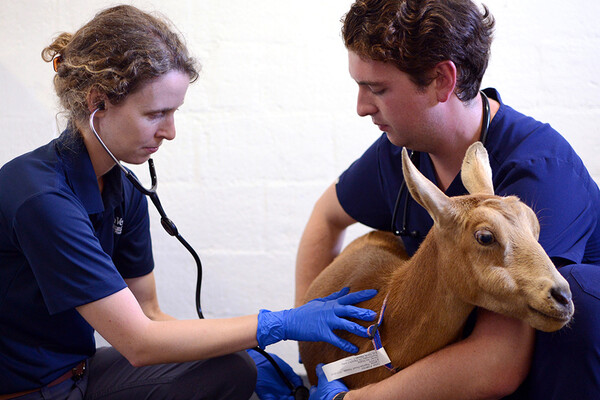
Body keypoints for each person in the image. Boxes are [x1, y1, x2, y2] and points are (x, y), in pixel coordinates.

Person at [0, 5, 379, 400]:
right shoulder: (40, 198)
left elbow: (150, 313)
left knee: (236, 368)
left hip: (79, 371)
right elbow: (139, 341)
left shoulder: (121, 187)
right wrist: (277, 324)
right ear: (99, 102)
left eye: (174, 112)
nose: (170, 132)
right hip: (29, 391)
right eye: (156, 114)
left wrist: (243, 345)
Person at [295, 0, 600, 399]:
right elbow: (327, 216)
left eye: (378, 89)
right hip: (448, 366)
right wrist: (306, 335)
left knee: (581, 291)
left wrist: (354, 398)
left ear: (442, 79)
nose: (362, 107)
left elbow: (498, 362)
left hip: (540, 379)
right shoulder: (403, 149)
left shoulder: (538, 170)